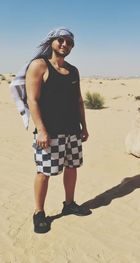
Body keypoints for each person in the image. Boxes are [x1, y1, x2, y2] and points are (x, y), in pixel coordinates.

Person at [11, 27, 91, 234]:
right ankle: (39, 212)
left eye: (70, 42)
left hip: (72, 130)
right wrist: (42, 131)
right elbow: (33, 100)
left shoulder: (73, 70)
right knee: (44, 172)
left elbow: (78, 100)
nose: (65, 45)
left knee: (72, 167)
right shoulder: (39, 66)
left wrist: (84, 126)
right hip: (49, 131)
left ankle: (70, 203)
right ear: (52, 41)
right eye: (61, 40)